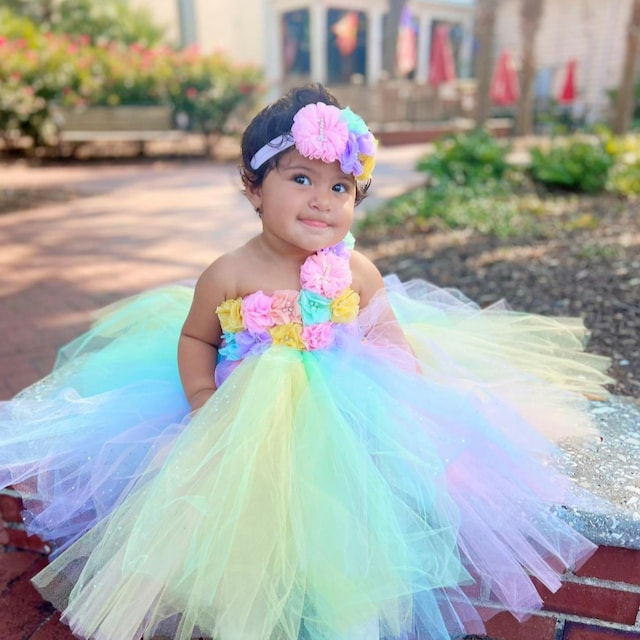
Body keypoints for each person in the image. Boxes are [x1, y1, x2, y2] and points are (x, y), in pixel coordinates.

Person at [0, 83, 613, 640]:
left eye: (340, 187)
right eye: (300, 180)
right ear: (253, 187)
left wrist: (408, 406)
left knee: (341, 532)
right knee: (244, 534)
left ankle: (344, 618)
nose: (321, 201)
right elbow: (196, 341)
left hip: (342, 425)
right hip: (243, 428)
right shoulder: (230, 272)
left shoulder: (357, 271)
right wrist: (202, 404)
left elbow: (390, 343)